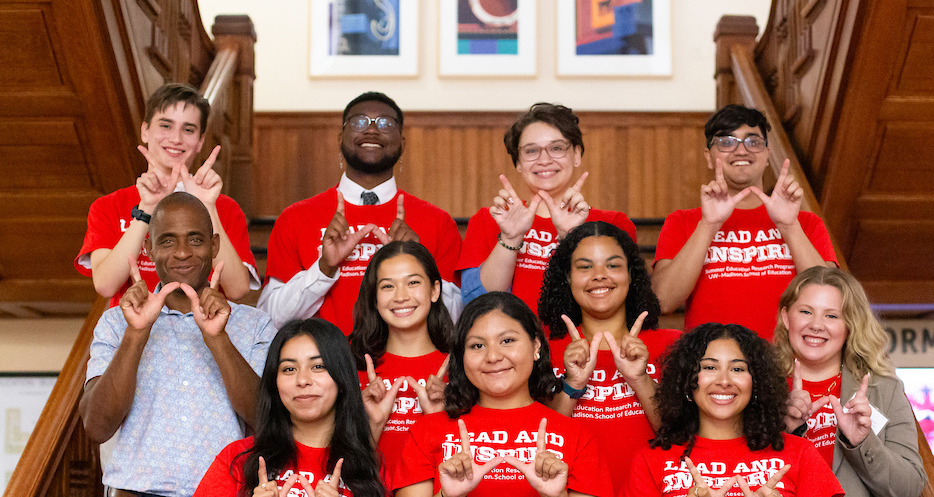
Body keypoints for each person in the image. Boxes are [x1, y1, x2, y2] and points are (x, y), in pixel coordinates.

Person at [80, 192, 276, 497]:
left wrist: (217, 338)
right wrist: (136, 334)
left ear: (215, 245)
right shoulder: (117, 323)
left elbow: (267, 418)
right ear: (149, 248)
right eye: (167, 240)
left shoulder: (255, 326)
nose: (183, 252)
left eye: (195, 239)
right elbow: (97, 426)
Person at [392, 292, 612, 497]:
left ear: (536, 346)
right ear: (461, 357)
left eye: (507, 341)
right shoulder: (429, 430)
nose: (493, 356)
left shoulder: (576, 435)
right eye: (477, 345)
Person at [618, 323, 843, 497]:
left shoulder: (798, 453)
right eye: (709, 367)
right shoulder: (650, 459)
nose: (724, 380)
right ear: (688, 380)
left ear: (756, 381)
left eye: (738, 368)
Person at [180, 318, 396, 497]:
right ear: (275, 382)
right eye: (289, 368)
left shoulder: (369, 469)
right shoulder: (239, 457)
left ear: (342, 378)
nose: (303, 380)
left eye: (318, 366)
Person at [538, 221, 681, 497]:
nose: (599, 275)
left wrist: (641, 380)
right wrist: (571, 385)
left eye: (612, 265)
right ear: (566, 279)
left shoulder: (671, 345)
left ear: (632, 276)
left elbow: (685, 439)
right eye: (584, 266)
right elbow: (532, 445)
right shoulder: (538, 352)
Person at [775, 266, 926, 497]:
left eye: (832, 315)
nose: (816, 325)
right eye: (805, 311)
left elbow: (907, 490)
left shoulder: (882, 390)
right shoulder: (756, 389)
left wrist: (862, 442)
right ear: (786, 317)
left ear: (849, 326)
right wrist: (783, 433)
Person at [259, 91, 463, 333]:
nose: (372, 130)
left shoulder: (438, 222)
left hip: (410, 370)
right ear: (341, 138)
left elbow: (457, 319)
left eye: (385, 123)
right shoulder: (295, 218)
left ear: (402, 142)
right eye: (359, 122)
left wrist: (418, 262)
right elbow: (268, 318)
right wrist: (324, 267)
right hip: (324, 367)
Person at [651, 104, 837, 339]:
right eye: (727, 142)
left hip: (786, 365)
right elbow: (662, 301)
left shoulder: (806, 223)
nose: (741, 151)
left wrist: (789, 226)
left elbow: (835, 299)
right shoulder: (683, 222)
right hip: (713, 368)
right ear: (709, 157)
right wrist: (709, 225)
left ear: (767, 155)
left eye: (753, 141)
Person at [76, 82, 258, 306]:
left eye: (188, 129)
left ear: (200, 141)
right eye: (166, 125)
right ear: (145, 131)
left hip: (204, 334)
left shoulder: (225, 207)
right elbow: (105, 284)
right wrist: (146, 210)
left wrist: (207, 206)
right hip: (135, 334)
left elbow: (238, 289)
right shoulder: (108, 206)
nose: (176, 138)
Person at [349, 240, 455, 497]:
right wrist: (371, 431)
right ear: (374, 298)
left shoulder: (466, 366)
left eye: (413, 282)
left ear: (435, 289)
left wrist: (438, 422)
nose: (401, 296)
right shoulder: (352, 370)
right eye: (387, 285)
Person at [458, 103, 637, 312]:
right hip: (513, 343)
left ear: (577, 154)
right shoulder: (489, 220)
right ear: (518, 162)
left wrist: (571, 237)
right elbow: (475, 302)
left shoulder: (613, 224)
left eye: (557, 148)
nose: (544, 160)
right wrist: (510, 238)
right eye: (532, 150)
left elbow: (622, 302)